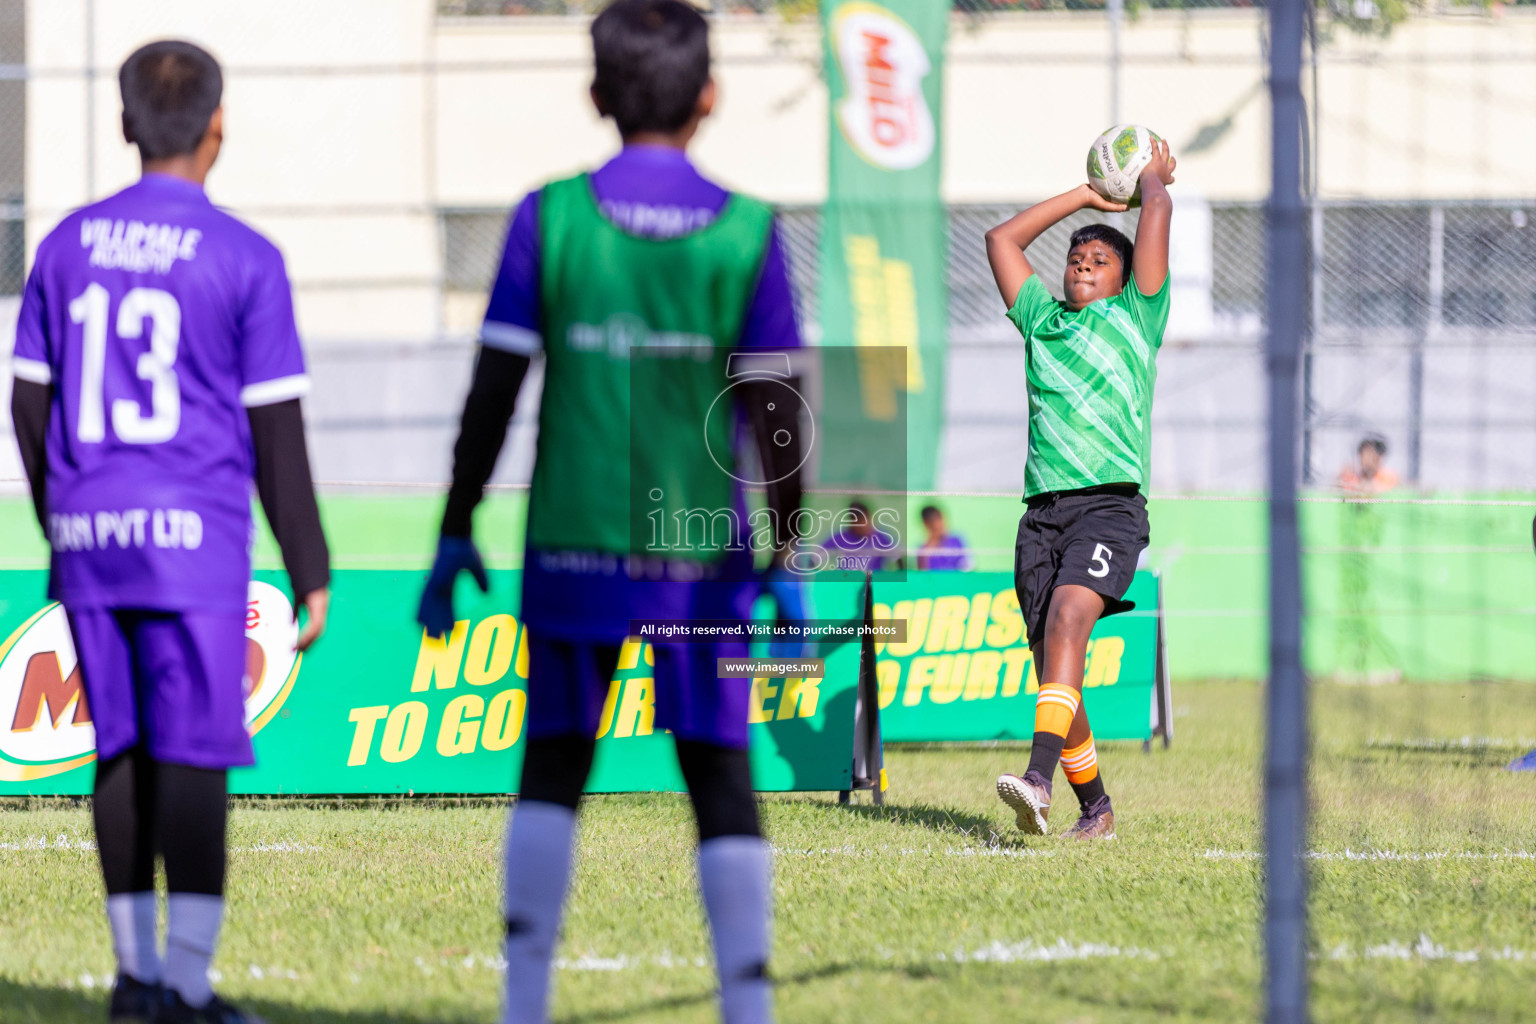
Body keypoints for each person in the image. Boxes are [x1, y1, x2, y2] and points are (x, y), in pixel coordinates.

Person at [414, 4, 803, 1022]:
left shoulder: (549, 218)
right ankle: (748, 1007)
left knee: (552, 765)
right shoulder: (751, 232)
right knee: (719, 768)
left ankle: (525, 1003)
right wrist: (789, 554)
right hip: (698, 553)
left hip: (574, 541)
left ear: (596, 97)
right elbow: (779, 413)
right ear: (709, 97)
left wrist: (456, 528)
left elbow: (492, 393)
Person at [8, 41, 329, 1024]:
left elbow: (28, 403)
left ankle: (132, 977)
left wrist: (63, 509)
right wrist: (308, 566)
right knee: (191, 751)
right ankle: (187, 987)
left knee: (117, 748)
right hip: (193, 542)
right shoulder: (245, 256)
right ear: (217, 127)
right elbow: (277, 432)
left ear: (124, 124)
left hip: (95, 534)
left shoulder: (64, 246)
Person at [982, 139, 1177, 840]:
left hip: (1110, 504)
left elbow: (1158, 208)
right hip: (1042, 516)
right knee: (1054, 666)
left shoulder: (1136, 318)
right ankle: (1096, 808)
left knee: (1068, 621)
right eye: (1076, 258)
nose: (1084, 267)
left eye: (1099, 261)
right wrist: (1086, 196)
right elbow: (1001, 239)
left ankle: (1036, 779)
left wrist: (1149, 178)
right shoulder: (1042, 320)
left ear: (1125, 281)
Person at [820, 500, 901, 573]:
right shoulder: (840, 537)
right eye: (860, 522)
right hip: (846, 582)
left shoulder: (881, 537)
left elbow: (898, 557)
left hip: (874, 583)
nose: (865, 526)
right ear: (852, 522)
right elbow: (817, 555)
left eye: (867, 520)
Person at [916, 504, 971, 570]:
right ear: (926, 524)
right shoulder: (923, 550)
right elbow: (923, 574)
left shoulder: (957, 541)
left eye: (941, 519)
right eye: (934, 522)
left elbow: (969, 566)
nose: (941, 525)